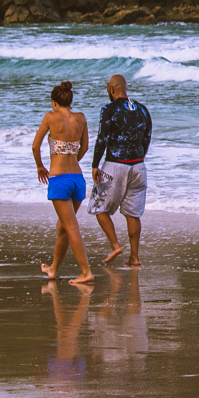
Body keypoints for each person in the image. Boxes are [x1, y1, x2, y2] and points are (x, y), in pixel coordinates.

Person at [32, 80, 95, 286]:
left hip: (59, 179)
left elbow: (35, 146)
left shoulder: (50, 117)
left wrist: (41, 166)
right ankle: (53, 269)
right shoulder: (81, 118)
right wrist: (73, 161)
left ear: (54, 103)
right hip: (78, 179)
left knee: (70, 226)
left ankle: (86, 272)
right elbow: (84, 148)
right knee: (63, 227)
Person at [89, 73, 152, 267]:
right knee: (133, 214)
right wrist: (139, 158)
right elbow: (146, 138)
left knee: (98, 206)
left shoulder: (109, 109)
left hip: (115, 164)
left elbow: (102, 138)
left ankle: (115, 245)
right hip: (139, 166)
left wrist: (95, 164)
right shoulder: (142, 109)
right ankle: (134, 257)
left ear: (111, 89)